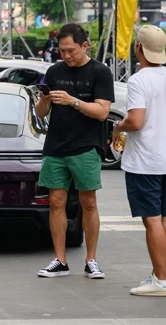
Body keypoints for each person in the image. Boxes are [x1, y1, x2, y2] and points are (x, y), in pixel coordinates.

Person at [112, 26, 166, 296]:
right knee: (161, 219)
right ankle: (160, 274)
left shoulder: (138, 80)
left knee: (152, 220)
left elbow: (136, 121)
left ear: (138, 48)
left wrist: (118, 127)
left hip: (144, 159)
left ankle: (162, 280)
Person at [34, 23, 114, 280]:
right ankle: (60, 259)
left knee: (88, 202)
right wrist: (44, 100)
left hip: (86, 145)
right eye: (62, 51)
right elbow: (40, 113)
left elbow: (102, 112)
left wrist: (74, 101)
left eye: (71, 50)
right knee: (56, 202)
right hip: (56, 145)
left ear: (85, 45)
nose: (66, 56)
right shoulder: (54, 71)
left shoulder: (100, 72)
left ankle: (91, 260)